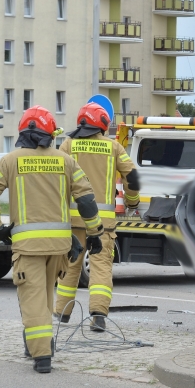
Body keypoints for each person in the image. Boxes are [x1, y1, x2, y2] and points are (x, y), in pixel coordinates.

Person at [0, 106, 103, 374]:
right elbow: (87, 201)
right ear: (50, 132)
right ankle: (37, 342)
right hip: (59, 246)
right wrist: (95, 233)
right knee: (45, 296)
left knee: (32, 299)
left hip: (28, 246)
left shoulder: (10, 161)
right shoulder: (65, 161)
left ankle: (42, 355)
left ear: (23, 131)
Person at [54, 103, 140, 331]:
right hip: (102, 225)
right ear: (102, 125)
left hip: (72, 222)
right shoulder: (113, 148)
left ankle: (61, 314)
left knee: (70, 266)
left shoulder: (68, 145)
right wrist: (132, 201)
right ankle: (98, 316)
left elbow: (55, 179)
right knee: (101, 267)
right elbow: (132, 178)